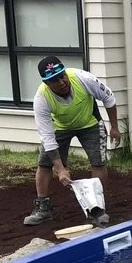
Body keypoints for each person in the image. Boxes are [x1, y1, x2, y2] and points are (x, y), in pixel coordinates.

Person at [23, 55, 121, 226]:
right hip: (60, 127)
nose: (61, 82)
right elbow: (47, 138)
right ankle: (42, 209)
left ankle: (98, 208)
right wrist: (60, 169)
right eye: (54, 80)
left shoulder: (83, 78)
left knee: (98, 162)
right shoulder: (41, 99)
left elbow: (109, 98)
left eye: (62, 76)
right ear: (46, 83)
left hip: (90, 123)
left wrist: (114, 127)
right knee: (45, 163)